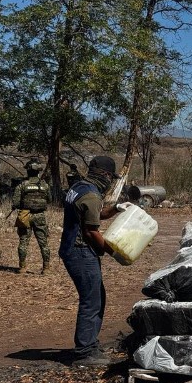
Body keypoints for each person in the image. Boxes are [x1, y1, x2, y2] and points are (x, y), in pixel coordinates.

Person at [59, 156, 131, 366]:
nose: (111, 182)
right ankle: (84, 352)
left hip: (73, 249)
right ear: (106, 175)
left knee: (97, 297)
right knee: (91, 301)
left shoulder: (80, 188)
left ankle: (90, 344)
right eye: (111, 178)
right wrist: (114, 252)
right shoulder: (91, 194)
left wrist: (117, 208)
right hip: (80, 251)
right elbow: (91, 232)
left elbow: (95, 214)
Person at [11, 158, 51, 274]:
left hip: (25, 216)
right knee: (43, 243)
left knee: (23, 242)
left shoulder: (22, 185)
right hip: (40, 216)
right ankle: (46, 268)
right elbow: (49, 199)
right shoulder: (45, 186)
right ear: (38, 171)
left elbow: (16, 203)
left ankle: (22, 267)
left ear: (28, 171)